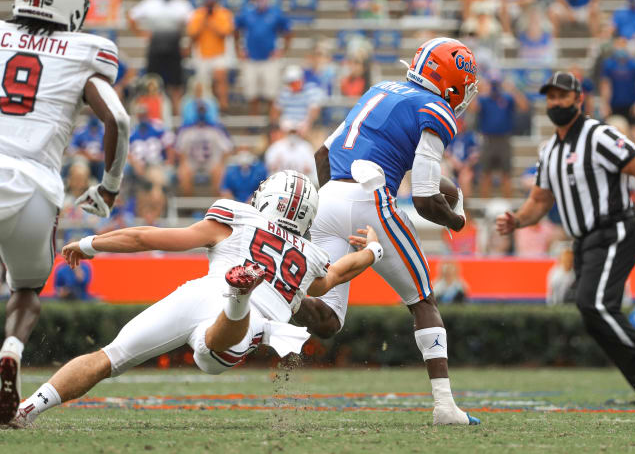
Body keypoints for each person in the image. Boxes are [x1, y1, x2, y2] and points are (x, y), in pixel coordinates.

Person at [11, 171, 384, 427]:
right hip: (245, 321)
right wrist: (373, 251)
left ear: (269, 196)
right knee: (209, 353)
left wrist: (92, 243)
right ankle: (238, 296)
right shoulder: (308, 256)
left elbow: (148, 238)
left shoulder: (236, 217)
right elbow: (338, 274)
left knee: (109, 356)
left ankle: (26, 409)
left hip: (200, 293)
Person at [295, 38, 480, 425]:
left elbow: (322, 154)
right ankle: (445, 406)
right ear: (450, 82)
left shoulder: (380, 90)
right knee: (423, 302)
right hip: (372, 199)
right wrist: (458, 221)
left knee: (327, 320)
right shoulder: (435, 109)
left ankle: (279, 297)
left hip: (328, 197)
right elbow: (427, 199)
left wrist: (338, 211)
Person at [0, 0, 130, 424]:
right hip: (34, 187)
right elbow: (117, 119)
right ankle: (11, 349)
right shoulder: (85, 50)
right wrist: (109, 187)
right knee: (28, 290)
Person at [496, 71, 635, 404]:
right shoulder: (549, 150)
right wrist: (517, 220)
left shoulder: (598, 135)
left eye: (563, 96)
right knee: (592, 313)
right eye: (551, 97)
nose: (556, 102)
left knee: (595, 305)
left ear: (579, 99)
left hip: (614, 229)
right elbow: (540, 201)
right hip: (584, 241)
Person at [128, 0, 193, 115]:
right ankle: (151, 111)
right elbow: (131, 16)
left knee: (176, 84)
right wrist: (140, 33)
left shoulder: (182, 5)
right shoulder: (150, 3)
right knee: (152, 80)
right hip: (155, 47)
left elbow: (192, 25)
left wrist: (187, 43)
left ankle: (177, 113)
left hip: (174, 47)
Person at [234, 0, 292, 116]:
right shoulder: (246, 13)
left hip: (269, 59)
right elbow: (236, 30)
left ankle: (270, 122)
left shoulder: (275, 13)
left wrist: (282, 50)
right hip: (251, 59)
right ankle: (254, 122)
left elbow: (288, 31)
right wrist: (238, 50)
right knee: (251, 93)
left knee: (271, 93)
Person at [186, 0, 235, 111]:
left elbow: (225, 32)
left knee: (220, 78)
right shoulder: (198, 14)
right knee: (203, 83)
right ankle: (206, 107)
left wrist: (211, 23)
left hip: (219, 53)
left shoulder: (223, 13)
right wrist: (204, 21)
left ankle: (223, 106)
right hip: (202, 54)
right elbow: (192, 34)